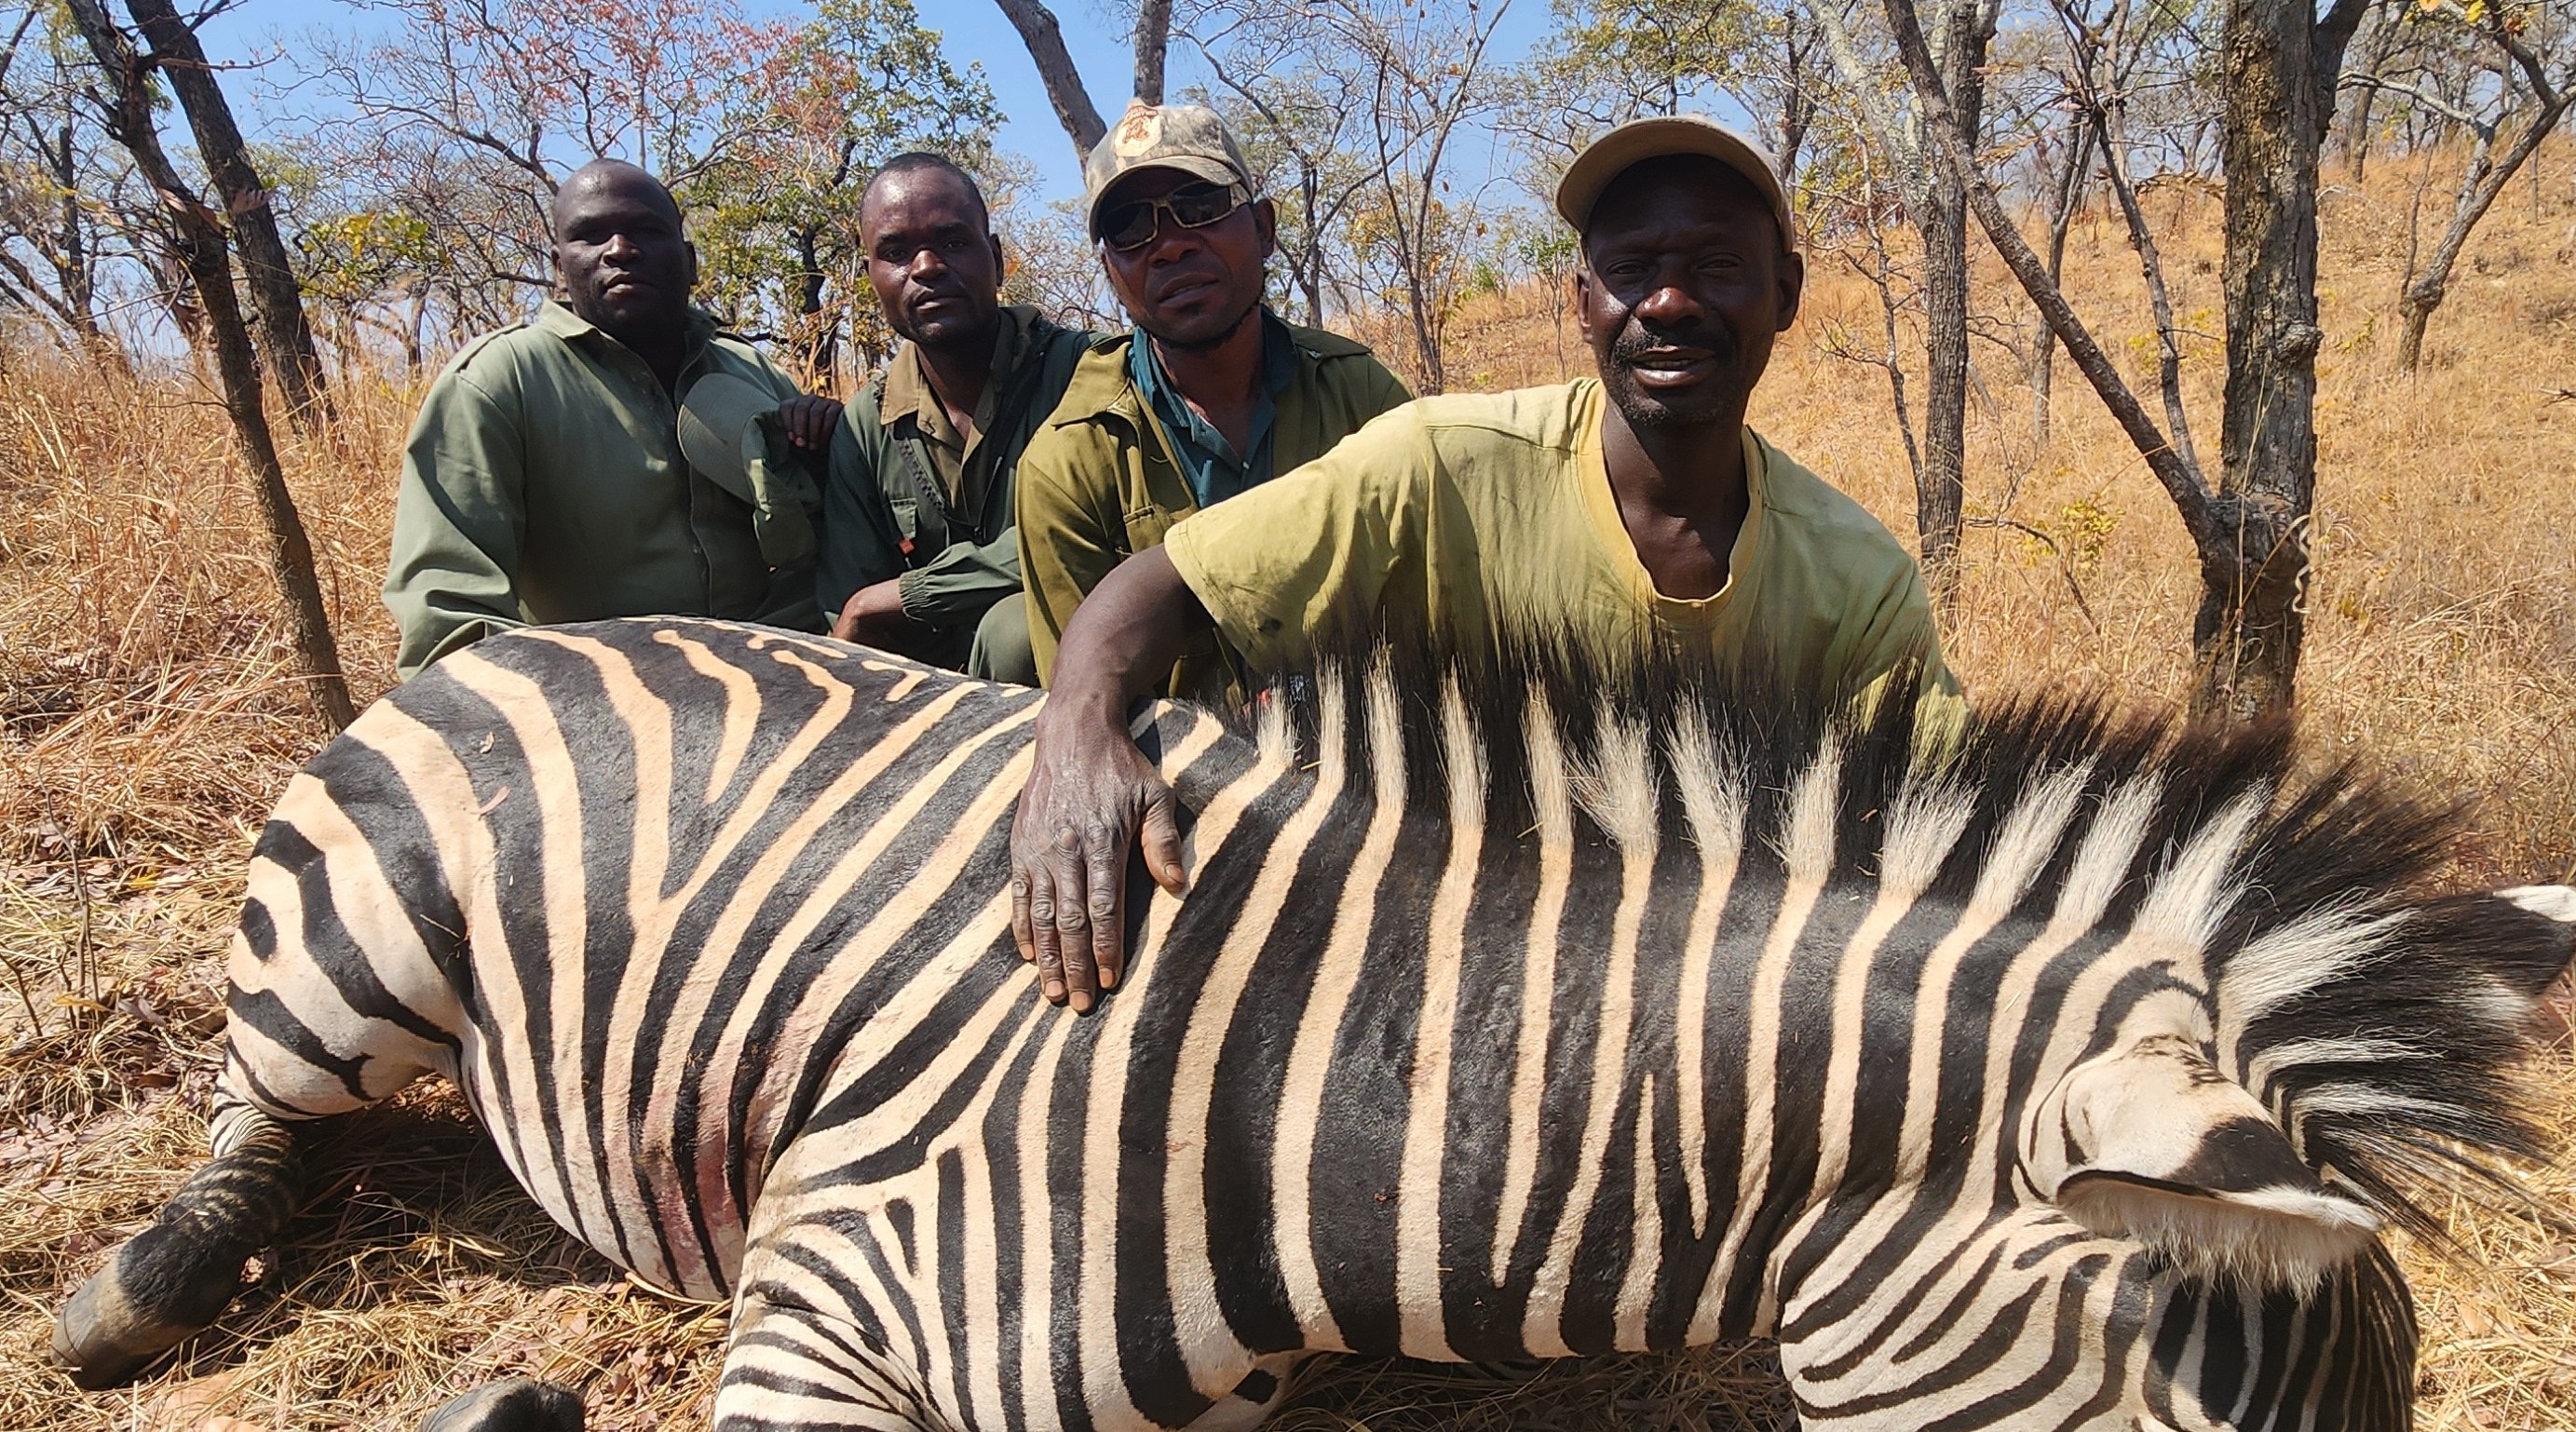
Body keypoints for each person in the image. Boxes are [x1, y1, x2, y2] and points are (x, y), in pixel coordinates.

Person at [1009, 112, 1954, 1008]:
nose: (1669, 302)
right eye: (1631, 269)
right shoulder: (1438, 457)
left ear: (1785, 293)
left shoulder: (1857, 581)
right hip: (1439, 934)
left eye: (1717, 266)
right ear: (1583, 301)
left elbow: (1940, 828)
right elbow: (1165, 578)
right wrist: (1079, 720)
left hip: (1715, 974)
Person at [1011, 101, 1410, 696]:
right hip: (1184, 778)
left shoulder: (1362, 397)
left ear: (1265, 229)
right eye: (1130, 227)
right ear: (1112, 273)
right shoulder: (1067, 464)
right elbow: (1090, 715)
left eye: (1200, 208)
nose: (1169, 246)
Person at [385, 160, 834, 676]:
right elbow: (448, 606)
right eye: (591, 236)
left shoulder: (752, 371)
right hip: (600, 703)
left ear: (690, 263)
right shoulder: (497, 381)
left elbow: (821, 547)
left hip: (773, 674)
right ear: (560, 264)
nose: (620, 250)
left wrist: (825, 453)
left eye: (646, 230)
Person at [814, 153, 1089, 682]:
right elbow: (850, 615)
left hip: (1075, 678)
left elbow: (1085, 538)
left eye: (952, 242)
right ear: (871, 275)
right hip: (935, 707)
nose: (926, 268)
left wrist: (913, 594)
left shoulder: (1085, 373)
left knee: (1014, 634)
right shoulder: (866, 423)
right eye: (895, 252)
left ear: (997, 258)